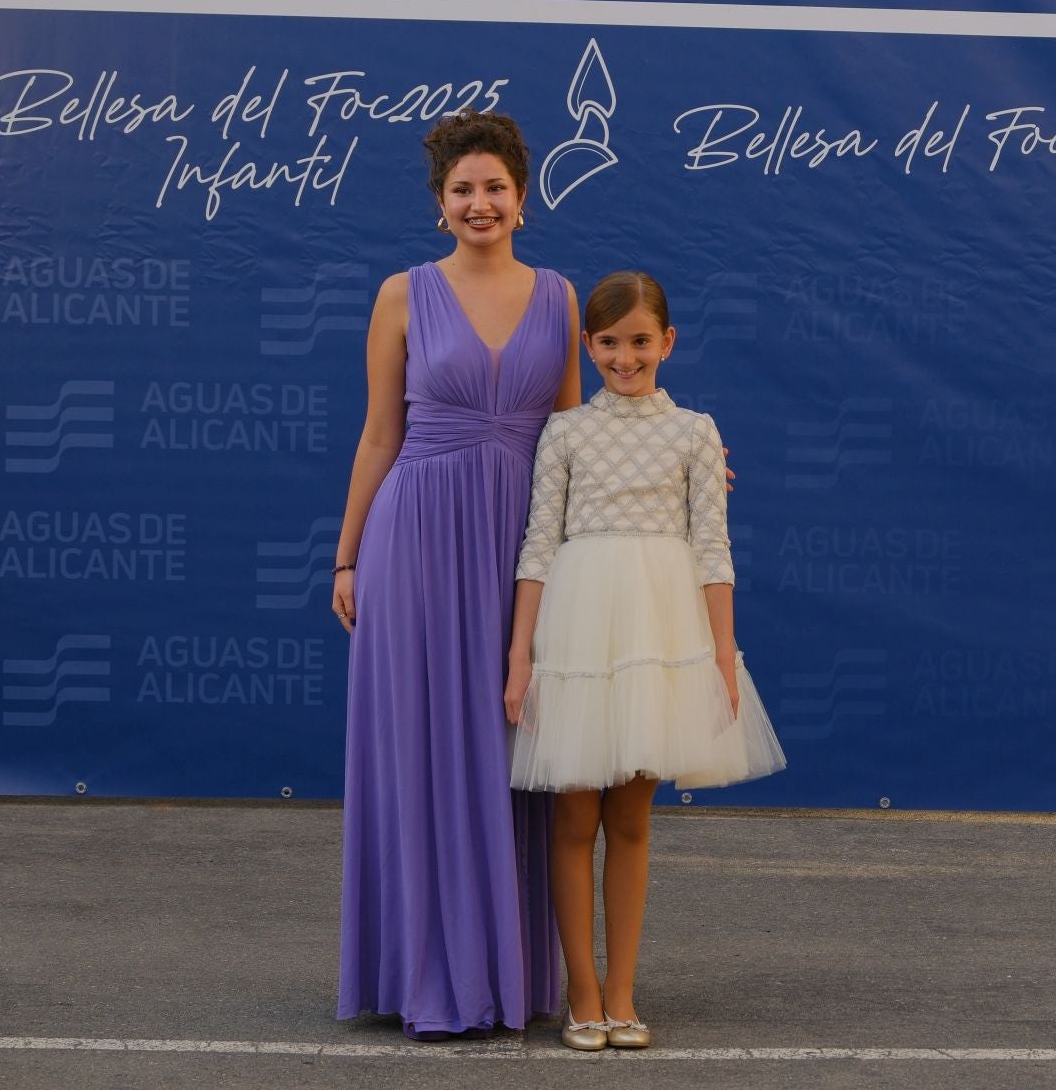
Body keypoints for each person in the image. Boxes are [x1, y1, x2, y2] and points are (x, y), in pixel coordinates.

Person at [332, 110, 580, 1039]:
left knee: (512, 754)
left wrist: (678, 459)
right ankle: (425, 975)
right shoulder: (401, 294)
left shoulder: (559, 297)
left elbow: (572, 440)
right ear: (441, 206)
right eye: (461, 191)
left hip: (520, 549)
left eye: (494, 188)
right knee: (426, 751)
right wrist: (348, 553)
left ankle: (503, 977)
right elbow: (379, 435)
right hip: (418, 544)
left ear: (522, 197)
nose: (480, 203)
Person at [506, 270, 786, 1051]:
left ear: (668, 341)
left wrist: (722, 658)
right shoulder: (564, 432)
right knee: (572, 817)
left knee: (631, 818)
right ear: (587, 346)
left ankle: (623, 992)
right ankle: (581, 993)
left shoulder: (695, 430)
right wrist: (520, 658)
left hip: (661, 637)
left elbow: (713, 550)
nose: (624, 358)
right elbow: (537, 546)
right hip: (579, 632)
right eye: (607, 344)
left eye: (639, 342)